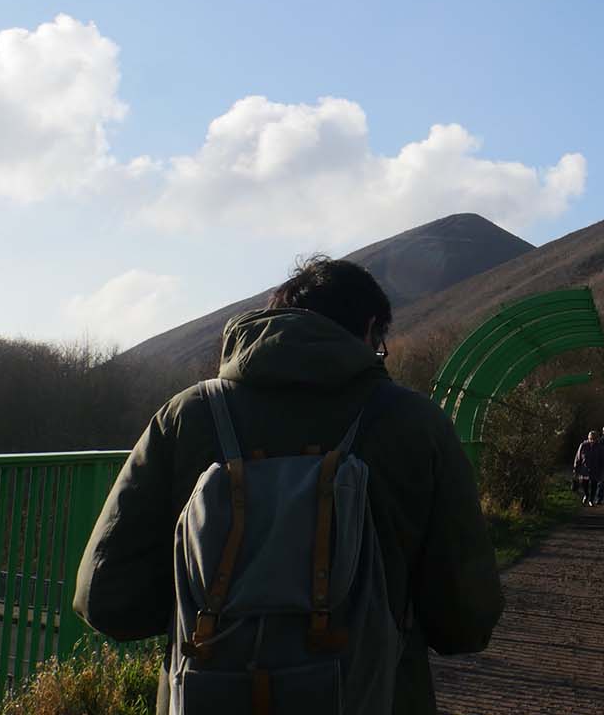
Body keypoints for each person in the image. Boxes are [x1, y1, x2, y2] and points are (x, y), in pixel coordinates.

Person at [73, 255, 504, 715]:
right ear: (372, 329)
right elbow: (465, 621)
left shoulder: (188, 415)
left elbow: (104, 597)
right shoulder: (416, 424)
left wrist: (223, 613)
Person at [574, 430, 604, 506]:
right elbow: (578, 457)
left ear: (597, 439)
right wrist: (576, 467)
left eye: (594, 439)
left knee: (594, 484)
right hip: (585, 469)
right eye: (591, 439)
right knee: (584, 484)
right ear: (588, 438)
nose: (592, 441)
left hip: (596, 469)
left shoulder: (600, 447)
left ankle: (591, 499)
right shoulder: (583, 445)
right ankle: (586, 494)